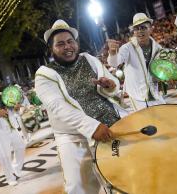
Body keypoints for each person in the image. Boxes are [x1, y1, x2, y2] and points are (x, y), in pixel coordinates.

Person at [35, 19, 120, 194]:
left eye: (70, 41)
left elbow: (114, 85)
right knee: (77, 187)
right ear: (52, 49)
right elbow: (59, 107)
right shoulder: (44, 74)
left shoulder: (88, 59)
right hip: (72, 136)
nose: (67, 47)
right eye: (60, 44)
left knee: (119, 177)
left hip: (107, 126)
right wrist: (92, 127)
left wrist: (109, 85)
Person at [107, 13, 166, 111]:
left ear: (150, 28)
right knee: (146, 124)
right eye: (136, 28)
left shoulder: (158, 48)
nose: (140, 31)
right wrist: (112, 53)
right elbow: (114, 63)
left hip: (154, 93)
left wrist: (162, 77)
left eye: (143, 27)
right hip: (137, 96)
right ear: (133, 32)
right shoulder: (127, 47)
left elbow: (161, 69)